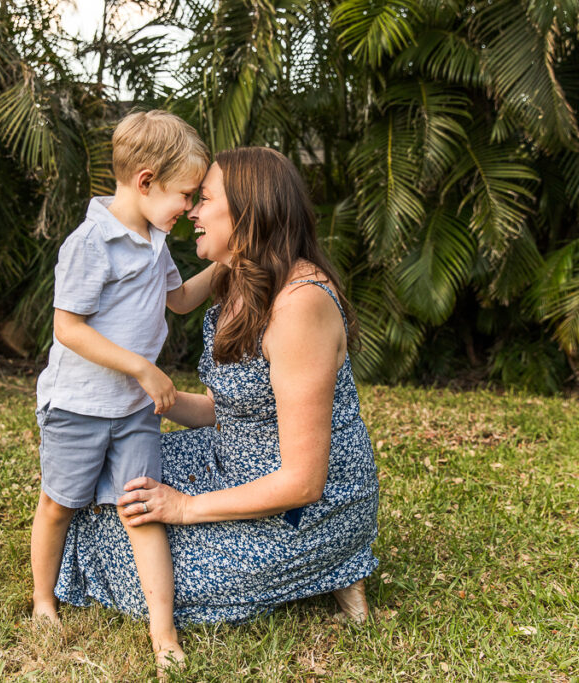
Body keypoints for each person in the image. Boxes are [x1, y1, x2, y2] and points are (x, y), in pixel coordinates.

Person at [52, 146, 380, 634]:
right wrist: (145, 392)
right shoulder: (242, 278)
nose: (191, 212)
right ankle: (321, 572)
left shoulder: (301, 306)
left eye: (203, 199)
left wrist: (183, 508)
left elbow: (303, 482)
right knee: (107, 489)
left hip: (303, 510)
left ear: (249, 212)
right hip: (230, 460)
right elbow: (235, 410)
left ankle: (332, 561)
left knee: (135, 558)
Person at [30, 110, 214, 670]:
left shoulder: (156, 241)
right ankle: (43, 600)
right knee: (59, 504)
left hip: (134, 412)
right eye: (187, 193)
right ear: (146, 182)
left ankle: (164, 633)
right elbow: (68, 328)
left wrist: (230, 263)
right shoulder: (91, 243)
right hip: (78, 408)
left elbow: (179, 301)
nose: (190, 207)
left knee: (141, 511)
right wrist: (141, 368)